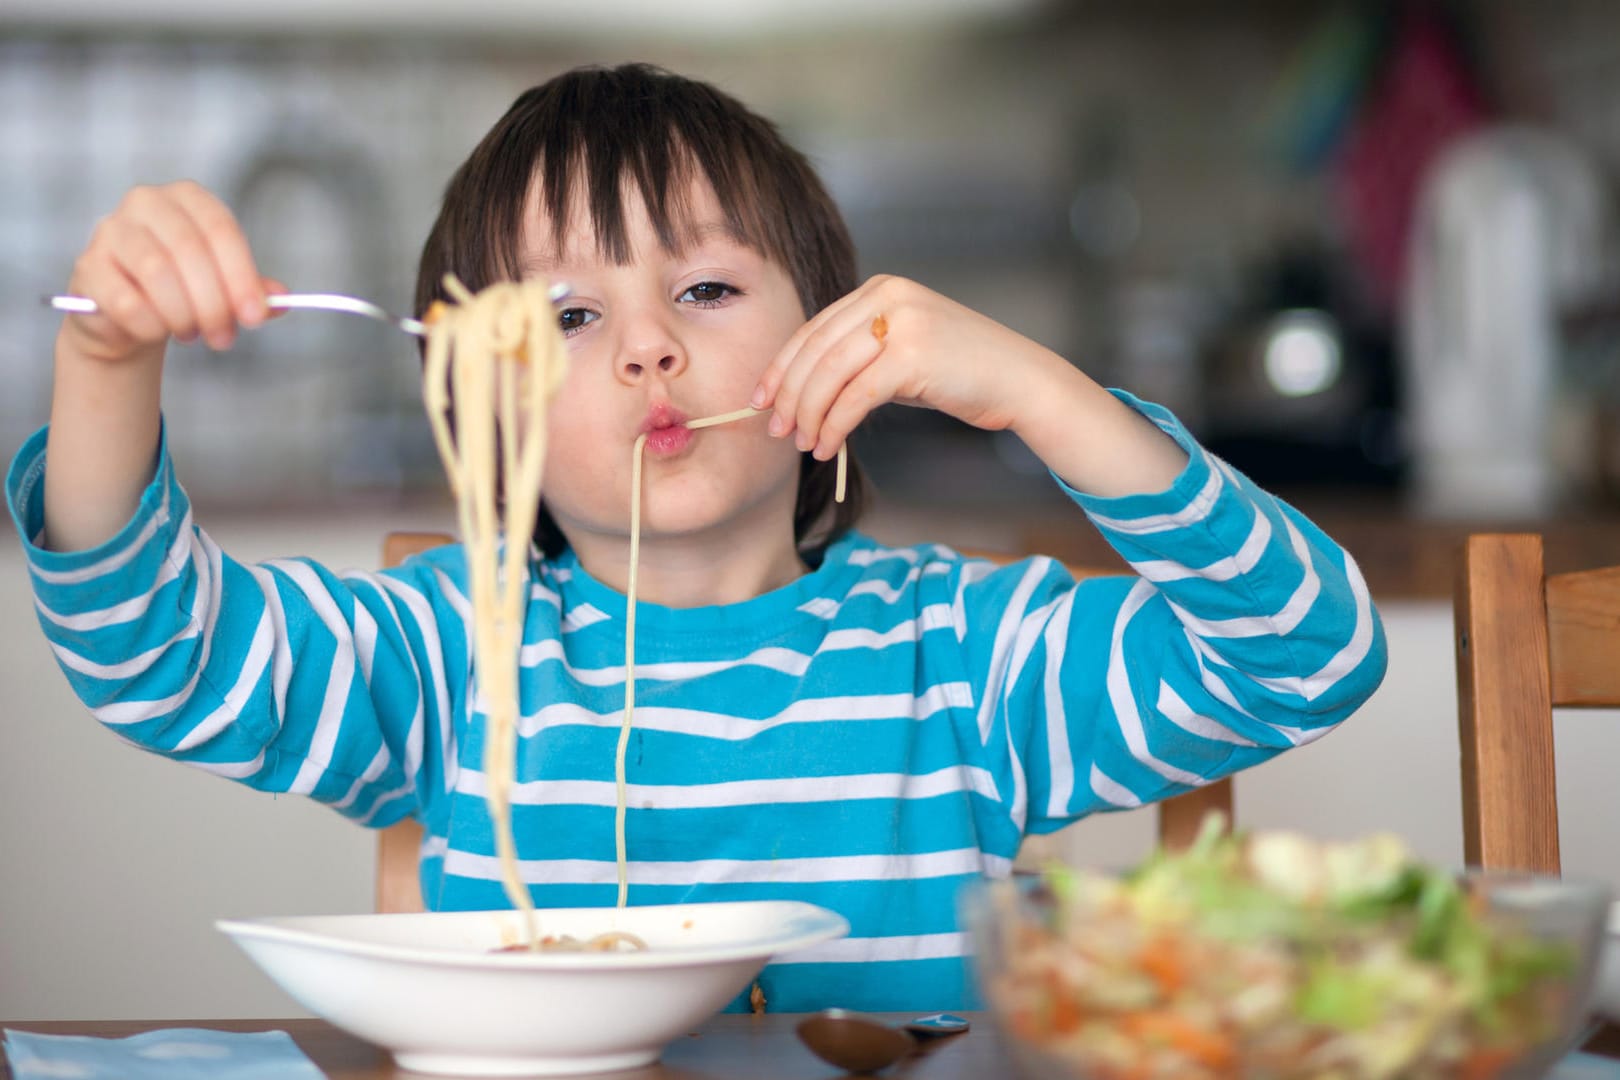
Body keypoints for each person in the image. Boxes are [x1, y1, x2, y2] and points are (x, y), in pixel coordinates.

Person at [7, 63, 1386, 1013]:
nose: (650, 347)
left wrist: (1040, 391)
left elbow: (1310, 651)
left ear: (843, 338)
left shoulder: (968, 654)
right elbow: (153, 658)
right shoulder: (440, 651)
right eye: (567, 317)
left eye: (710, 285)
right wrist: (113, 363)